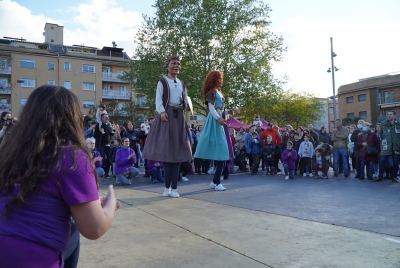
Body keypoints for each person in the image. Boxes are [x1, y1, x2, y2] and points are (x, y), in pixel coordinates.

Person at [0, 85, 120, 267]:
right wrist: (110, 202)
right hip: (30, 256)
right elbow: (94, 228)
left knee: (71, 229)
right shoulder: (71, 157)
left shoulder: (9, 152)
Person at [142, 55, 192, 197]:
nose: (177, 65)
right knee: (167, 152)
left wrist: (187, 106)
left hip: (179, 117)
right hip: (167, 116)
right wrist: (162, 112)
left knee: (176, 153)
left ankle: (174, 188)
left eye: (178, 63)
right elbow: (158, 100)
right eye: (173, 63)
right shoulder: (162, 82)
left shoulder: (182, 83)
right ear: (167, 66)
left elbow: (185, 101)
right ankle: (166, 188)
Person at [194, 70, 230, 191]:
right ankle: (217, 182)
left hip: (219, 121)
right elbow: (211, 108)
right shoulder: (211, 93)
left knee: (222, 153)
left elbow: (220, 108)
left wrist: (227, 112)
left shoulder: (218, 93)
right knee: (221, 153)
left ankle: (215, 181)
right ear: (215, 80)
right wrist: (219, 118)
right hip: (215, 121)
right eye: (219, 79)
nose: (221, 82)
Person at [375, 110, 400, 183]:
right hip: (386, 146)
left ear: (394, 115)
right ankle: (380, 177)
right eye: (388, 114)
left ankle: (394, 177)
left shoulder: (398, 123)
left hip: (396, 146)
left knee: (395, 162)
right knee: (382, 161)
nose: (389, 115)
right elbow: (382, 134)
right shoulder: (383, 123)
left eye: (390, 114)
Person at [94, 114, 115, 178]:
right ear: (102, 118)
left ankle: (106, 173)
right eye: (106, 117)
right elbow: (95, 135)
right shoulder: (99, 125)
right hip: (101, 145)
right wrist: (100, 132)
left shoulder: (108, 125)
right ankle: (101, 172)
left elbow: (111, 134)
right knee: (102, 158)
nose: (107, 118)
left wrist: (113, 130)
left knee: (109, 159)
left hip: (108, 145)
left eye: (107, 117)